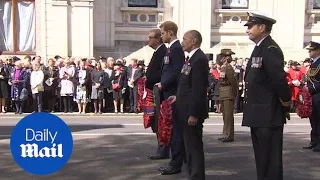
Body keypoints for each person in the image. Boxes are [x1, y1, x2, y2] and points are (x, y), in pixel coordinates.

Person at [242, 12, 291, 180]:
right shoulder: (259, 48)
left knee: (270, 158)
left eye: (250, 26)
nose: (247, 30)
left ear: (262, 28)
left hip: (268, 113)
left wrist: (285, 102)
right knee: (262, 157)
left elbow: (278, 78)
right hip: (259, 112)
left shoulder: (270, 48)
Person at [169, 30, 208, 180]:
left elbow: (198, 89)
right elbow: (186, 85)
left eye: (185, 39)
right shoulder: (190, 59)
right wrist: (177, 97)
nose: (182, 42)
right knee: (187, 147)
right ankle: (191, 174)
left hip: (190, 112)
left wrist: (194, 113)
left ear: (193, 41)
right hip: (183, 108)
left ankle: (197, 176)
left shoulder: (199, 59)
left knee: (193, 147)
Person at [156, 21, 185, 175]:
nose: (161, 36)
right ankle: (176, 161)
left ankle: (176, 163)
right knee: (171, 129)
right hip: (167, 92)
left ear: (170, 33)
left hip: (172, 93)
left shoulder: (176, 49)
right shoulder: (170, 49)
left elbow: (176, 71)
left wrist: (163, 83)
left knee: (175, 130)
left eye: (162, 33)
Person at [145, 28, 170, 160]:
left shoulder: (163, 52)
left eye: (151, 37)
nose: (148, 40)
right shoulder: (157, 52)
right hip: (152, 90)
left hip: (158, 90)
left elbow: (161, 72)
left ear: (158, 39)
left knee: (160, 121)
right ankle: (161, 148)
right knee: (154, 120)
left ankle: (163, 149)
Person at [217, 49, 238, 142]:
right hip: (224, 92)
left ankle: (229, 135)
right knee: (225, 115)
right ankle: (225, 133)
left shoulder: (228, 68)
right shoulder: (224, 67)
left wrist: (234, 92)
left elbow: (233, 82)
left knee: (229, 116)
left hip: (228, 92)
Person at [303, 41, 320, 152]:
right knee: (313, 119)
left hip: (318, 94)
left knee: (318, 119)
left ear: (318, 50)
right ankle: (314, 141)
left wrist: (311, 88)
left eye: (311, 50)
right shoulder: (314, 62)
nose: (309, 52)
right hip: (312, 95)